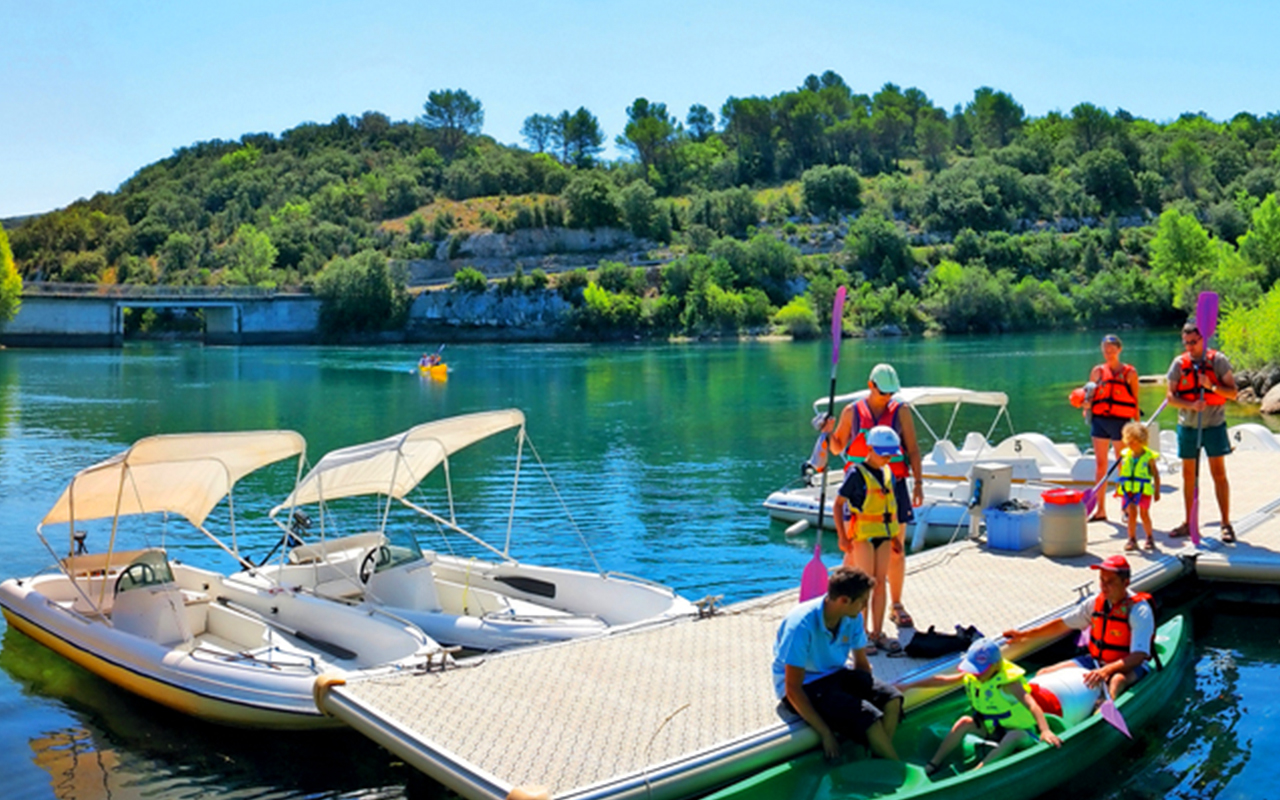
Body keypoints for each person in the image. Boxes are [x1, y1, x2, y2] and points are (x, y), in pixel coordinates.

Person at [827, 363, 922, 633]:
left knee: (897, 550)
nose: (888, 397)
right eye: (883, 392)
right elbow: (837, 447)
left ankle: (896, 605)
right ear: (871, 386)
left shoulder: (900, 410)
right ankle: (845, 609)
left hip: (894, 485)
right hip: (860, 487)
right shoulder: (852, 412)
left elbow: (913, 449)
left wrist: (919, 484)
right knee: (854, 556)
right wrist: (828, 431)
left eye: (892, 393)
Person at [772, 566, 904, 761]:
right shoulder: (801, 625)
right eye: (862, 601)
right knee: (868, 718)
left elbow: (861, 665)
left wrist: (870, 692)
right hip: (806, 686)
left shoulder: (853, 617)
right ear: (844, 600)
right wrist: (825, 733)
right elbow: (792, 689)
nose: (865, 606)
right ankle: (896, 766)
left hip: (836, 676)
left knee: (892, 699)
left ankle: (880, 758)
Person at [899, 638, 1062, 776]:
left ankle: (978, 772)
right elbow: (941, 680)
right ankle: (934, 764)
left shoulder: (1009, 683)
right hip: (992, 729)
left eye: (980, 670)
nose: (976, 674)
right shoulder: (974, 676)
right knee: (964, 721)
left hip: (1021, 733)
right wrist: (910, 685)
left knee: (1014, 736)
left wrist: (1045, 730)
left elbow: (1032, 704)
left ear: (996, 665)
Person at [1003, 555, 1153, 700]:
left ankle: (1103, 713)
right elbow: (1062, 624)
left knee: (1116, 682)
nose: (1104, 586)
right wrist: (1024, 635)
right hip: (1095, 661)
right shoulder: (1094, 603)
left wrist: (1105, 671)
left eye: (1111, 581)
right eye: (1101, 580)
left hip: (1129, 666)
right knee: (1043, 672)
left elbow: (1138, 656)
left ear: (1125, 583)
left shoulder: (1139, 610)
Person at [1166, 321, 1239, 542]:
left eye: (1193, 342)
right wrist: (1190, 405)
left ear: (1203, 339)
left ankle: (1226, 523)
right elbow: (1170, 397)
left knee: (1219, 474)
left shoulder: (1218, 360)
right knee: (1189, 476)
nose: (1189, 347)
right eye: (1186, 343)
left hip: (1214, 425)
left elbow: (1233, 393)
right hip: (1188, 427)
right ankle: (1189, 522)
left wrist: (1211, 387)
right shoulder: (1179, 364)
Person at [833, 425, 901, 654]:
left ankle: (877, 632)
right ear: (870, 449)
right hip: (863, 536)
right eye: (883, 453)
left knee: (880, 582)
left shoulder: (888, 472)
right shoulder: (856, 473)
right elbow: (838, 504)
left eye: (890, 453)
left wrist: (895, 537)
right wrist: (843, 537)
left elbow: (891, 506)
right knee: (864, 585)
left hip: (883, 534)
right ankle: (859, 634)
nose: (887, 457)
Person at [1084, 334, 1141, 523]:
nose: (1108, 353)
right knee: (1100, 466)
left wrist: (1137, 427)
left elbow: (1135, 402)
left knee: (1122, 464)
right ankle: (1100, 510)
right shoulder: (1097, 372)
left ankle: (1126, 508)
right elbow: (1089, 397)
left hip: (1121, 423)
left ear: (1119, 350)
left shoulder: (1130, 373)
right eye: (1105, 350)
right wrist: (1085, 405)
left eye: (1112, 350)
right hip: (1100, 421)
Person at [1116, 421, 1161, 552]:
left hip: (1143, 490)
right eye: (1128, 441)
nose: (1130, 444)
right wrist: (1119, 489)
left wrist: (1157, 491)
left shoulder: (1148, 457)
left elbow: (1156, 475)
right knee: (1131, 515)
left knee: (1144, 514)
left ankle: (1149, 537)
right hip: (1129, 490)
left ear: (1141, 441)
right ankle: (1131, 539)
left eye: (1133, 441)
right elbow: (1122, 473)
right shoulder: (1127, 455)